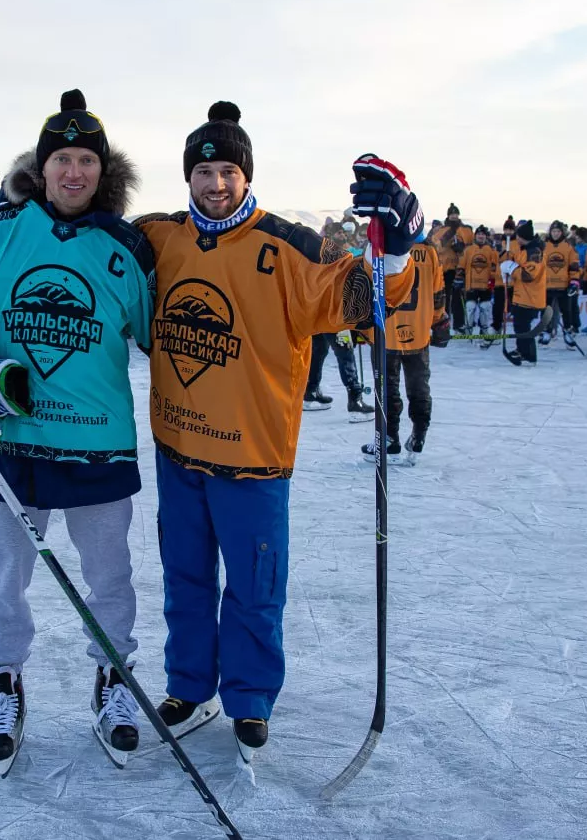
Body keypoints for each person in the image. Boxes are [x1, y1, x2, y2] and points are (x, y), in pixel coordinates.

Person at [132, 102, 422, 760]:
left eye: (227, 170)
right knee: (185, 577)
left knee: (255, 587)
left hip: (253, 459)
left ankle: (250, 696)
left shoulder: (289, 246)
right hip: (178, 451)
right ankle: (186, 683)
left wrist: (397, 253)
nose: (215, 183)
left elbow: (362, 299)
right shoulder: (160, 236)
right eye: (204, 170)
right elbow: (93, 248)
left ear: (246, 174)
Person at [0, 90, 155, 769]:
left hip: (98, 443)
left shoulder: (126, 248)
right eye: (63, 159)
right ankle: (5, 683)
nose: (74, 172)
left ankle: (113, 680)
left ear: (102, 171)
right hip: (8, 443)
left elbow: (165, 339)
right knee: (4, 578)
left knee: (111, 578)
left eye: (87, 160)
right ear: (43, 166)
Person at [360, 235, 446, 461]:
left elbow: (364, 286)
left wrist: (361, 326)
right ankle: (419, 435)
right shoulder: (429, 252)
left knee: (387, 388)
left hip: (385, 333)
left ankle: (389, 438)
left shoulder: (379, 247)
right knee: (419, 388)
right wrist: (437, 320)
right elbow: (438, 293)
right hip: (418, 333)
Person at [304, 333, 374, 419]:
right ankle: (355, 400)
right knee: (345, 350)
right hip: (335, 321)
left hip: (318, 320)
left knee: (320, 346)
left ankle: (311, 390)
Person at [539, 220, 581, 348]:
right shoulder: (544, 246)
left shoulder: (568, 247)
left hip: (563, 286)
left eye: (558, 231)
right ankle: (546, 332)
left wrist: (574, 282)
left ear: (562, 232)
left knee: (566, 311)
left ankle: (567, 333)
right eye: (553, 231)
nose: (555, 234)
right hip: (547, 285)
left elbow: (574, 265)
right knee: (546, 311)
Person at [429, 203, 471, 330]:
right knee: (444, 296)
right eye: (452, 214)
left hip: (459, 268)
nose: (454, 216)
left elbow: (471, 247)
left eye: (456, 214)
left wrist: (461, 247)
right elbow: (436, 246)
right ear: (448, 215)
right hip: (444, 268)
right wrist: (448, 237)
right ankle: (444, 321)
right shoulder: (442, 230)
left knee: (459, 297)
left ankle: (459, 324)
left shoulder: (465, 230)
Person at [457, 225, 503, 340]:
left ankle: (484, 329)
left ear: (486, 236)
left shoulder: (491, 251)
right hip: (471, 285)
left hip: (485, 286)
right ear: (475, 236)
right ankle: (468, 329)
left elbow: (494, 267)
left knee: (485, 307)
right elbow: (461, 265)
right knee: (470, 306)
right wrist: (459, 278)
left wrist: (493, 281)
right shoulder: (468, 250)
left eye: (483, 234)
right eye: (479, 234)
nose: (481, 236)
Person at [506, 241, 546, 365]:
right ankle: (523, 350)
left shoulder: (533, 252)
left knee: (523, 326)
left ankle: (528, 354)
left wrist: (512, 269)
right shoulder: (524, 251)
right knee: (520, 326)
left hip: (529, 297)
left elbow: (527, 275)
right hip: (522, 295)